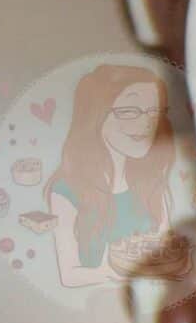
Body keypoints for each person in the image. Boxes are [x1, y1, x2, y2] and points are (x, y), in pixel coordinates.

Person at [46, 64, 186, 291]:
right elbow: (70, 275)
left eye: (153, 112)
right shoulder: (67, 190)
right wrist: (116, 273)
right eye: (130, 112)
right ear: (96, 115)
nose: (146, 123)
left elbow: (165, 253)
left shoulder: (152, 181)